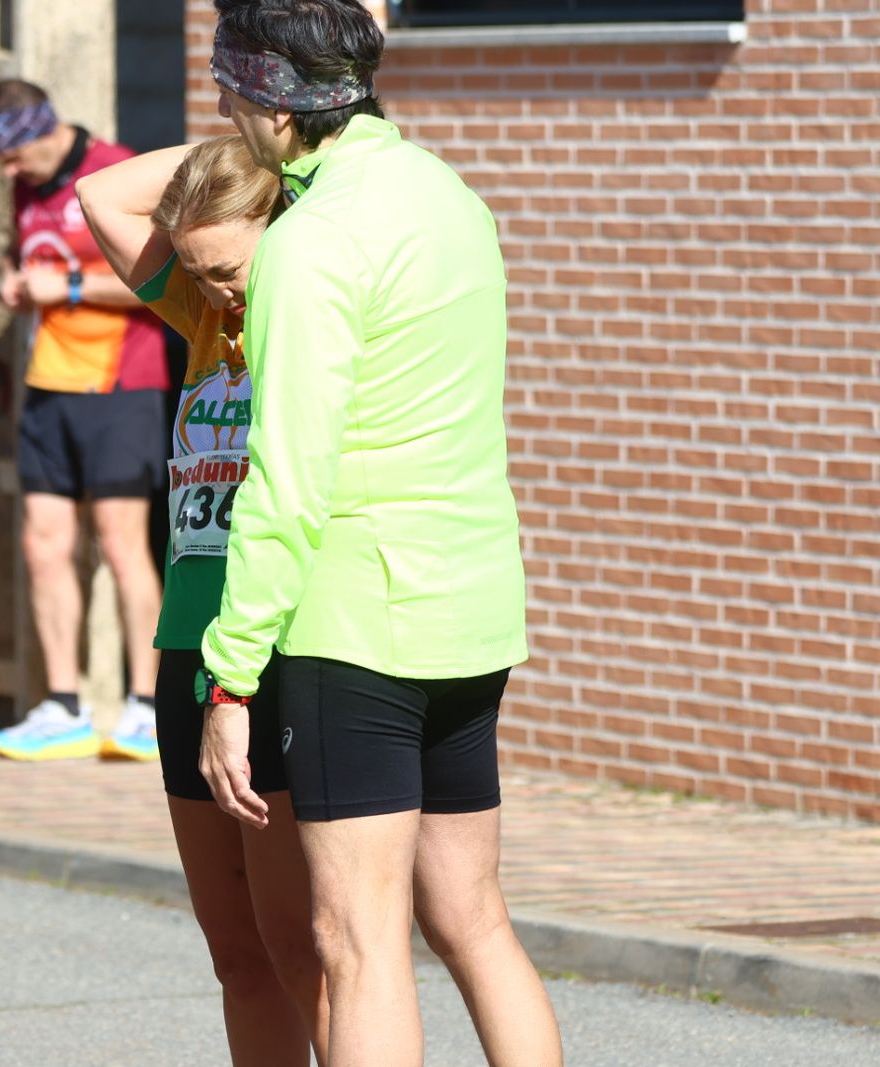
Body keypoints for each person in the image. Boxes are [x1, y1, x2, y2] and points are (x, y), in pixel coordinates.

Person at [197, 2, 564, 1066]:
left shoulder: (309, 241)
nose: (224, 108)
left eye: (232, 91)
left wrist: (229, 678)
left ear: (276, 106)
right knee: (475, 918)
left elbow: (287, 480)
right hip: (473, 606)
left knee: (357, 944)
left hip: (358, 625)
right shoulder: (451, 196)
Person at [79, 137, 330, 1065]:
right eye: (196, 270)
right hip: (187, 638)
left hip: (271, 642)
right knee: (237, 953)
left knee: (301, 947)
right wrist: (242, 137)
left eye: (227, 267)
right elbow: (101, 194)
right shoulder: (204, 315)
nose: (216, 289)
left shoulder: (309, 310)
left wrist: (279, 141)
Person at [0, 79, 169, 762]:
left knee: (121, 543)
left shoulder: (115, 171)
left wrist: (72, 286)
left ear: (41, 130)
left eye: (11, 156)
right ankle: (63, 705)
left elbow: (163, 276)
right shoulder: (27, 186)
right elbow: (25, 250)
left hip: (121, 382)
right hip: (48, 383)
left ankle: (147, 706)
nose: (7, 173)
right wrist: (14, 275)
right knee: (43, 545)